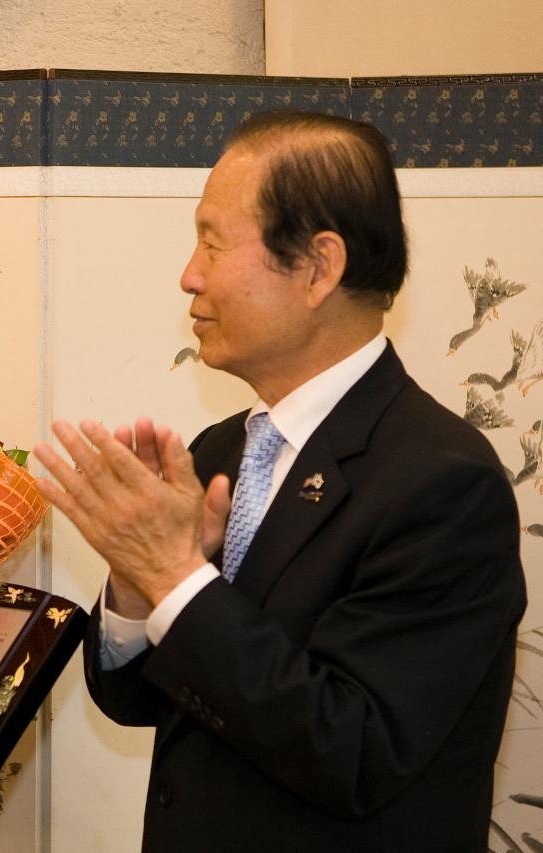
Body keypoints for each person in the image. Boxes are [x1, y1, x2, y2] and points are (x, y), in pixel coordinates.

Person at [33, 111, 527, 851]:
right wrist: (137, 588)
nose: (188, 275)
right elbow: (140, 698)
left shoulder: (443, 482)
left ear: (319, 267)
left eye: (211, 240)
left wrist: (174, 576)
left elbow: (353, 749)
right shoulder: (222, 447)